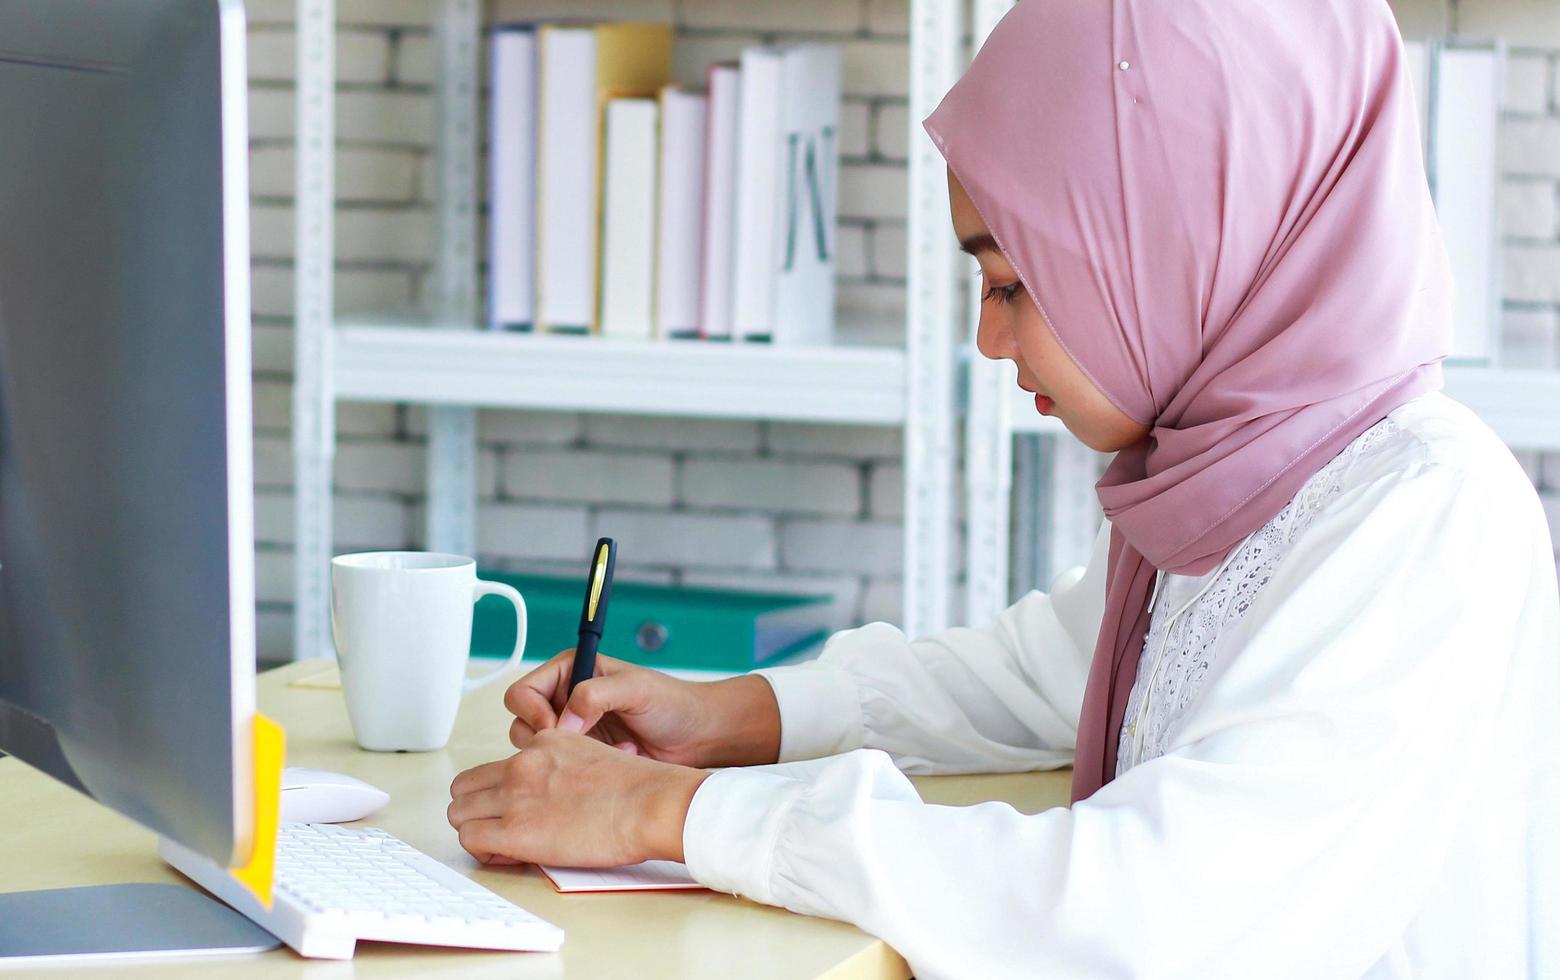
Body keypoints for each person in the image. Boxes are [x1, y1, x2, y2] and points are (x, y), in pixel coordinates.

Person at [446, 1, 1560, 975]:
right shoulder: (1243, 472)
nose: (989, 338)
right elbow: (1040, 674)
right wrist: (730, 716)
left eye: (1014, 282)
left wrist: (672, 812)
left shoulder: (1424, 513)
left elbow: (1153, 914)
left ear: (1177, 246)